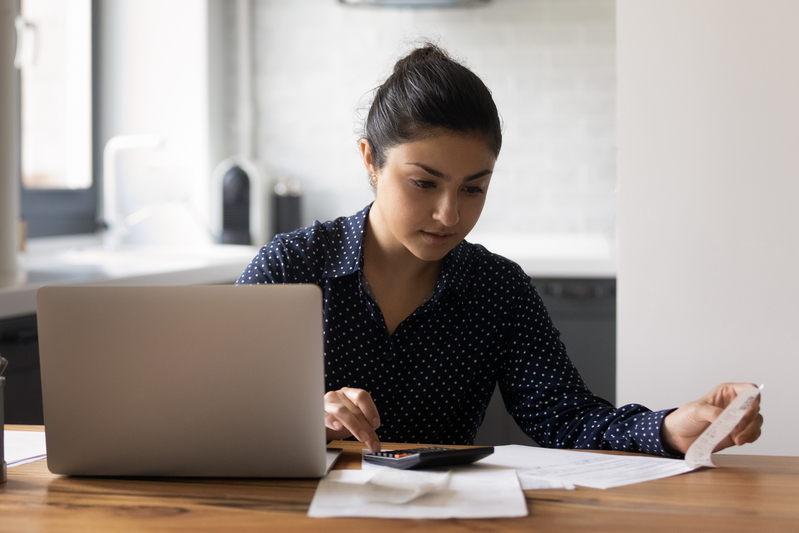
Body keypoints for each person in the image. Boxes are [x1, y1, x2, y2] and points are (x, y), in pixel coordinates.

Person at [237, 44, 762, 456]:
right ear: (370, 160)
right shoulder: (291, 267)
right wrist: (305, 414)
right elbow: (220, 410)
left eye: (473, 188)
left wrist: (672, 428)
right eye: (424, 183)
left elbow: (564, 415)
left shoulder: (497, 289)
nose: (450, 215)